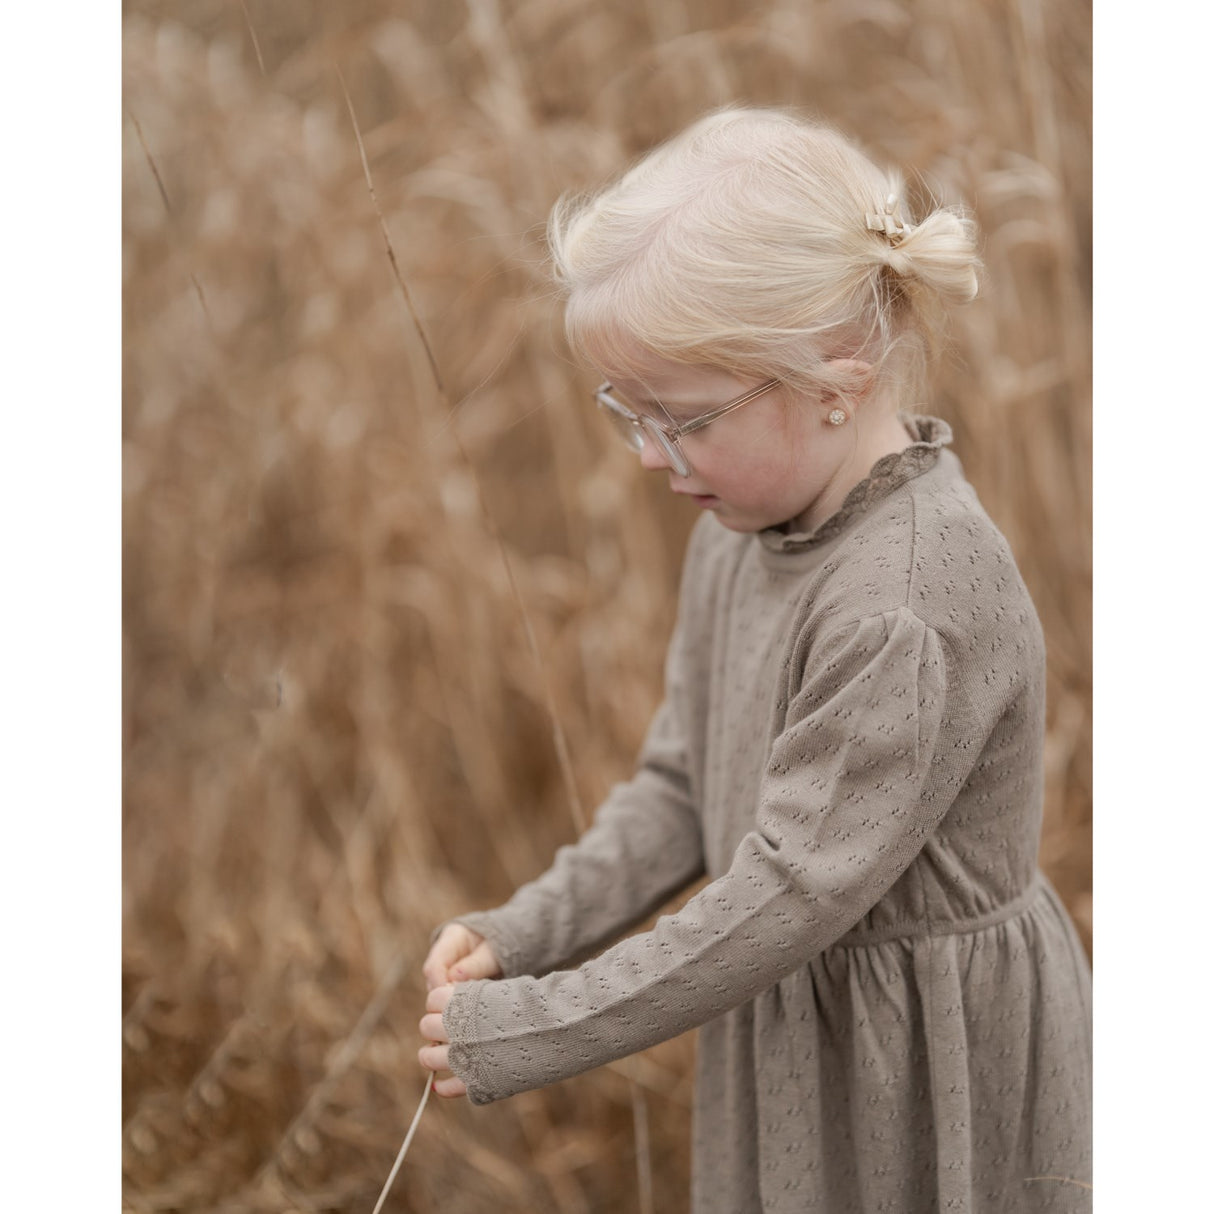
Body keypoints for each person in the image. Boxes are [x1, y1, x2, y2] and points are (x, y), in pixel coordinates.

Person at [417, 107, 1092, 1213]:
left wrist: (540, 1024)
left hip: (915, 1059)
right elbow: (683, 785)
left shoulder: (904, 602)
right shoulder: (740, 530)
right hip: (786, 1021)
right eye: (626, 412)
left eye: (681, 418)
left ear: (835, 383)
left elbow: (786, 893)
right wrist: (525, 932)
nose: (648, 456)